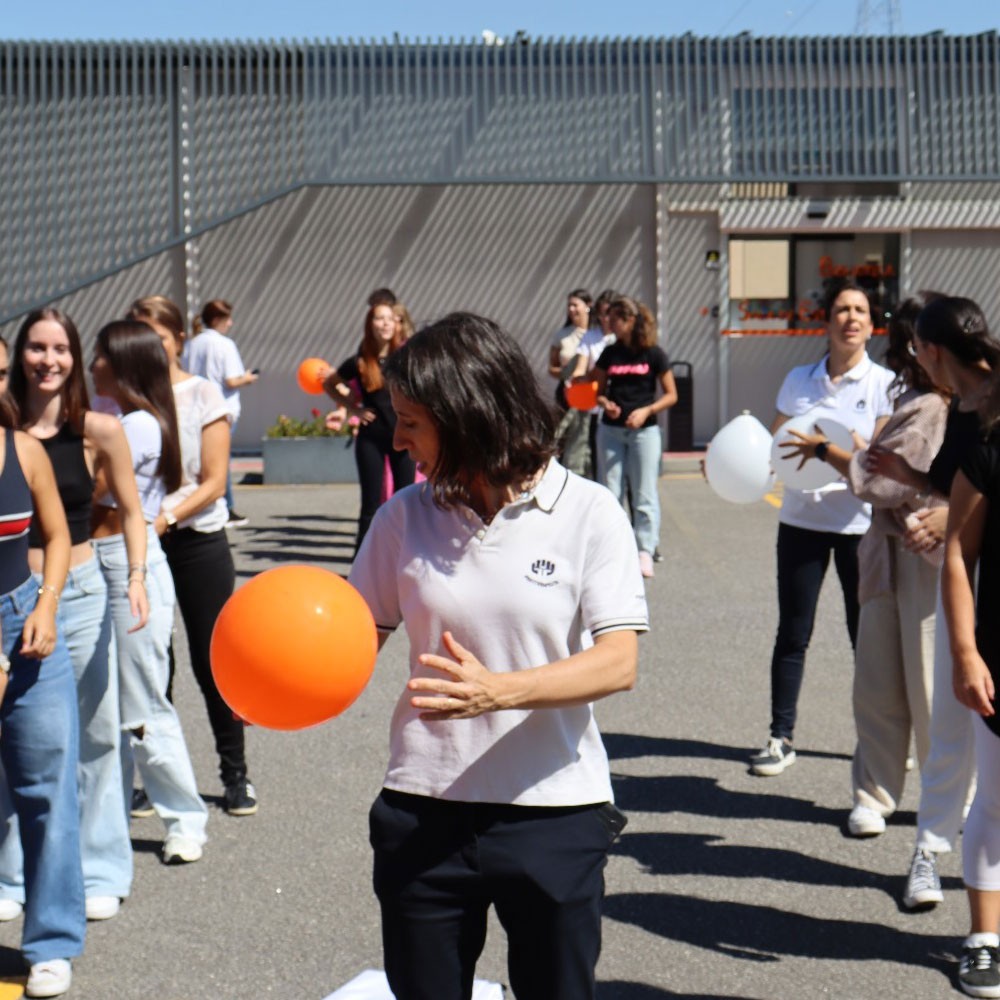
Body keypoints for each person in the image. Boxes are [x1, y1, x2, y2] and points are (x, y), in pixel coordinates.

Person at [348, 312, 648, 1000]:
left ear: (468, 414)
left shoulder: (589, 512)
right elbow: (354, 637)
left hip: (553, 812)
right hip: (423, 808)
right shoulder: (402, 518)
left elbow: (617, 663)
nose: (397, 439)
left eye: (412, 422)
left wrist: (498, 691)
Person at [0, 308, 150, 925]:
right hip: (12, 595)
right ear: (19, 357)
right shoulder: (7, 430)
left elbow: (134, 512)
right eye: (37, 347)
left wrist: (137, 578)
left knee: (92, 734)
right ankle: (13, 875)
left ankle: (103, 868)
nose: (48, 360)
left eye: (60, 348)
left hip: (81, 593)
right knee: (19, 746)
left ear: (76, 355)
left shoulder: (98, 429)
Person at [779, 294, 949, 834]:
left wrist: (833, 453)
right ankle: (875, 794)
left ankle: (947, 799)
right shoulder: (909, 396)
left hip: (924, 559)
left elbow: (881, 479)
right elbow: (877, 470)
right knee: (875, 685)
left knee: (927, 686)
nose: (909, 351)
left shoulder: (944, 405)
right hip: (882, 554)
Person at [865, 296, 998, 910]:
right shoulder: (961, 409)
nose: (914, 359)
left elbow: (967, 507)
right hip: (967, 593)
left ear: (935, 350)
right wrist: (919, 486)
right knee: (951, 728)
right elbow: (959, 498)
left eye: (917, 349)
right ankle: (932, 849)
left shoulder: (983, 408)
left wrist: (946, 516)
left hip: (975, 581)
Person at [750, 278, 894, 777]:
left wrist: (839, 442)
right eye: (841, 310)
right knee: (793, 632)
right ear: (827, 321)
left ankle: (882, 741)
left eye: (859, 311)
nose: (850, 318)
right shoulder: (799, 379)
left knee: (867, 638)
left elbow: (877, 461)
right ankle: (780, 736)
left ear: (871, 325)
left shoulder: (884, 384)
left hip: (859, 527)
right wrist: (741, 467)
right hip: (800, 522)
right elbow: (774, 446)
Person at [128, 295, 258, 817]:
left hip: (196, 540)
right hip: (138, 545)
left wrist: (160, 521)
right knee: (151, 666)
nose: (150, 348)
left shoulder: (204, 394)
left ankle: (236, 775)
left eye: (158, 338)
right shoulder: (127, 400)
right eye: (140, 338)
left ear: (178, 338)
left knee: (213, 661)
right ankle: (152, 779)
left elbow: (214, 482)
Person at [89, 320, 209, 864]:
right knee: (104, 704)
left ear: (123, 365)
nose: (91, 366)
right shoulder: (129, 420)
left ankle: (185, 820)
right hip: (108, 564)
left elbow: (97, 498)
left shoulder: (132, 426)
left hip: (127, 566)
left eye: (100, 357)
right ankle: (108, 824)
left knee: (141, 702)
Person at [0, 387, 83, 998]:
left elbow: (56, 538)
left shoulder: (23, 449)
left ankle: (51, 944)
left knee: (49, 789)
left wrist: (48, 605)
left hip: (28, 626)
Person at [941, 370, 1000, 997]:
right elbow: (958, 553)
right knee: (995, 801)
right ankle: (985, 938)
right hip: (998, 660)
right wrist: (965, 650)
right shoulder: (988, 457)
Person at [592, 295, 678, 579]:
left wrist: (646, 411)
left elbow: (671, 395)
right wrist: (606, 404)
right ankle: (613, 548)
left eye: (615, 318)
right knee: (610, 491)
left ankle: (645, 550)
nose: (610, 323)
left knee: (644, 493)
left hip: (644, 432)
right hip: (611, 431)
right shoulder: (610, 353)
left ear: (630, 320)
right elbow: (597, 390)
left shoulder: (653, 354)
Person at [322, 302, 415, 552]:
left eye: (389, 318)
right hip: (371, 438)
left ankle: (407, 558)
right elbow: (330, 383)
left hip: (403, 438)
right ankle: (362, 564)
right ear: (370, 324)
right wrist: (353, 410)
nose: (385, 323)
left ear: (397, 323)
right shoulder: (360, 361)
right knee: (370, 506)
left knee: (407, 502)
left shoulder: (407, 357)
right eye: (379, 318)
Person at [183, 299, 257, 528]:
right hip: (221, 409)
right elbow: (231, 379)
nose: (231, 323)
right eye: (227, 319)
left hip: (195, 408)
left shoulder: (191, 344)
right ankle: (225, 508)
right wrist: (248, 378)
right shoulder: (224, 344)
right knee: (219, 461)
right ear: (217, 320)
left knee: (202, 460)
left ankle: (207, 505)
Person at [549, 289, 594, 476]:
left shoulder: (596, 334)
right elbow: (551, 368)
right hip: (567, 393)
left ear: (588, 306)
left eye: (576, 304)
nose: (571, 309)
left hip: (591, 393)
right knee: (564, 437)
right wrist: (566, 372)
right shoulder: (562, 335)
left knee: (587, 440)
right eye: (569, 305)